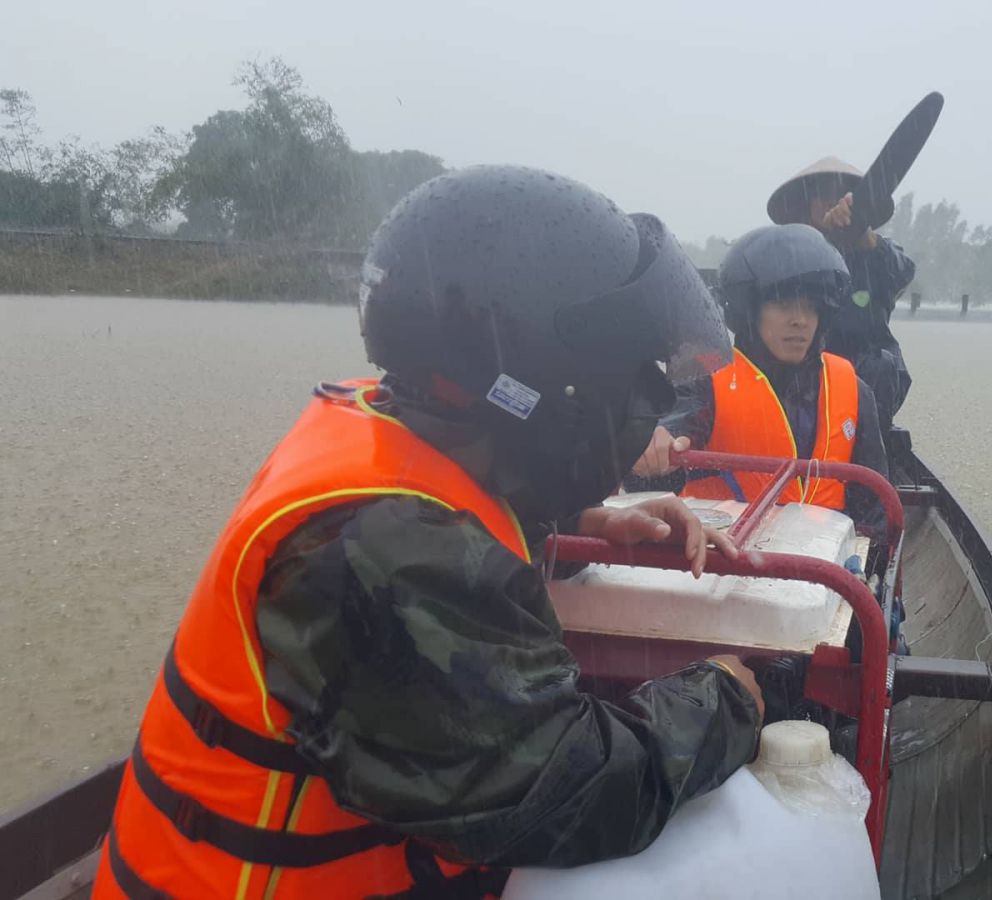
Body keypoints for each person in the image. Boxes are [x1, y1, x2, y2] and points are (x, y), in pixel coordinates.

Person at [94, 167, 766, 899]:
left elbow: (461, 515)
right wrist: (723, 698)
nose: (639, 397)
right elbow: (567, 792)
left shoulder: (380, 423)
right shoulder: (381, 542)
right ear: (541, 373)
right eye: (626, 374)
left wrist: (579, 521)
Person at [632, 224, 889, 539]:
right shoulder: (705, 378)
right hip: (720, 557)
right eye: (784, 305)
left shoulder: (853, 388)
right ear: (749, 312)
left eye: (811, 307)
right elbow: (674, 428)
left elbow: (874, 510)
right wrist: (658, 441)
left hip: (825, 560)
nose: (800, 320)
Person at [767, 157, 917, 441]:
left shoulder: (875, 254)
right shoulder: (788, 255)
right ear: (807, 203)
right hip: (800, 375)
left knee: (882, 366)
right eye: (823, 194)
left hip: (865, 379)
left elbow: (903, 271)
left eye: (840, 195)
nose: (832, 203)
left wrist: (863, 238)